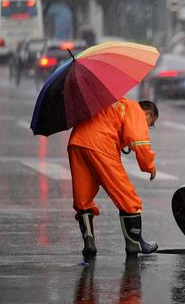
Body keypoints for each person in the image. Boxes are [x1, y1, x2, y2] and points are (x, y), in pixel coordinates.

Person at [68, 98, 159, 257]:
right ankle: (135, 243)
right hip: (100, 144)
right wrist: (149, 167)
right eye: (150, 124)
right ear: (148, 114)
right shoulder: (134, 109)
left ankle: (89, 241)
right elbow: (141, 141)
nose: (148, 127)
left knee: (83, 197)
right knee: (126, 195)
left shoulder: (110, 103)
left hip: (77, 142)